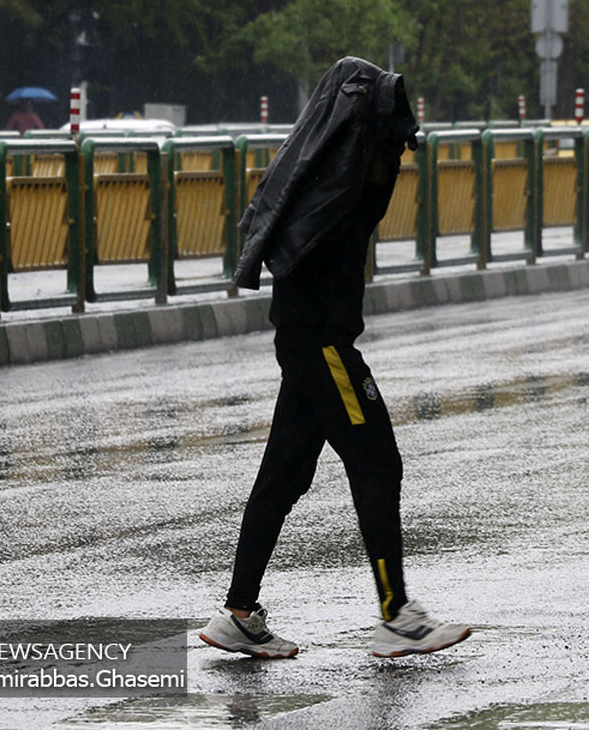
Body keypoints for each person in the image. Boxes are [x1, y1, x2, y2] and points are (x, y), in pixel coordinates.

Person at [199, 57, 471, 659]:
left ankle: (238, 613)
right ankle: (397, 613)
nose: (399, 159)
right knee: (378, 463)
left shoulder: (332, 182)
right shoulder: (338, 187)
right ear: (364, 141)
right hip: (322, 347)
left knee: (283, 476)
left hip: (306, 344)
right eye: (393, 148)